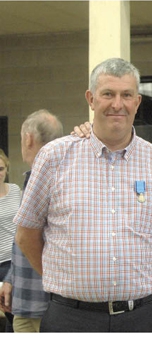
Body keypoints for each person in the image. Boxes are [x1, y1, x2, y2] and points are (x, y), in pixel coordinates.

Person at [13, 58, 152, 332]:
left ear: (137, 102)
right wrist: (64, 279)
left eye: (126, 95)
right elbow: (26, 234)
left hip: (141, 317)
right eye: (108, 94)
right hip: (71, 317)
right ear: (91, 99)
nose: (117, 104)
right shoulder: (54, 157)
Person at [0, 110, 63, 333]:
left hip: (44, 305)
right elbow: (21, 240)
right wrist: (10, 279)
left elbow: (28, 239)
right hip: (25, 299)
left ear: (28, 139)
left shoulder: (48, 179)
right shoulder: (33, 178)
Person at [0, 150, 21, 332]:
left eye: (0, 168)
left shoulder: (15, 190)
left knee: (14, 313)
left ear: (6, 169)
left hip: (14, 259)